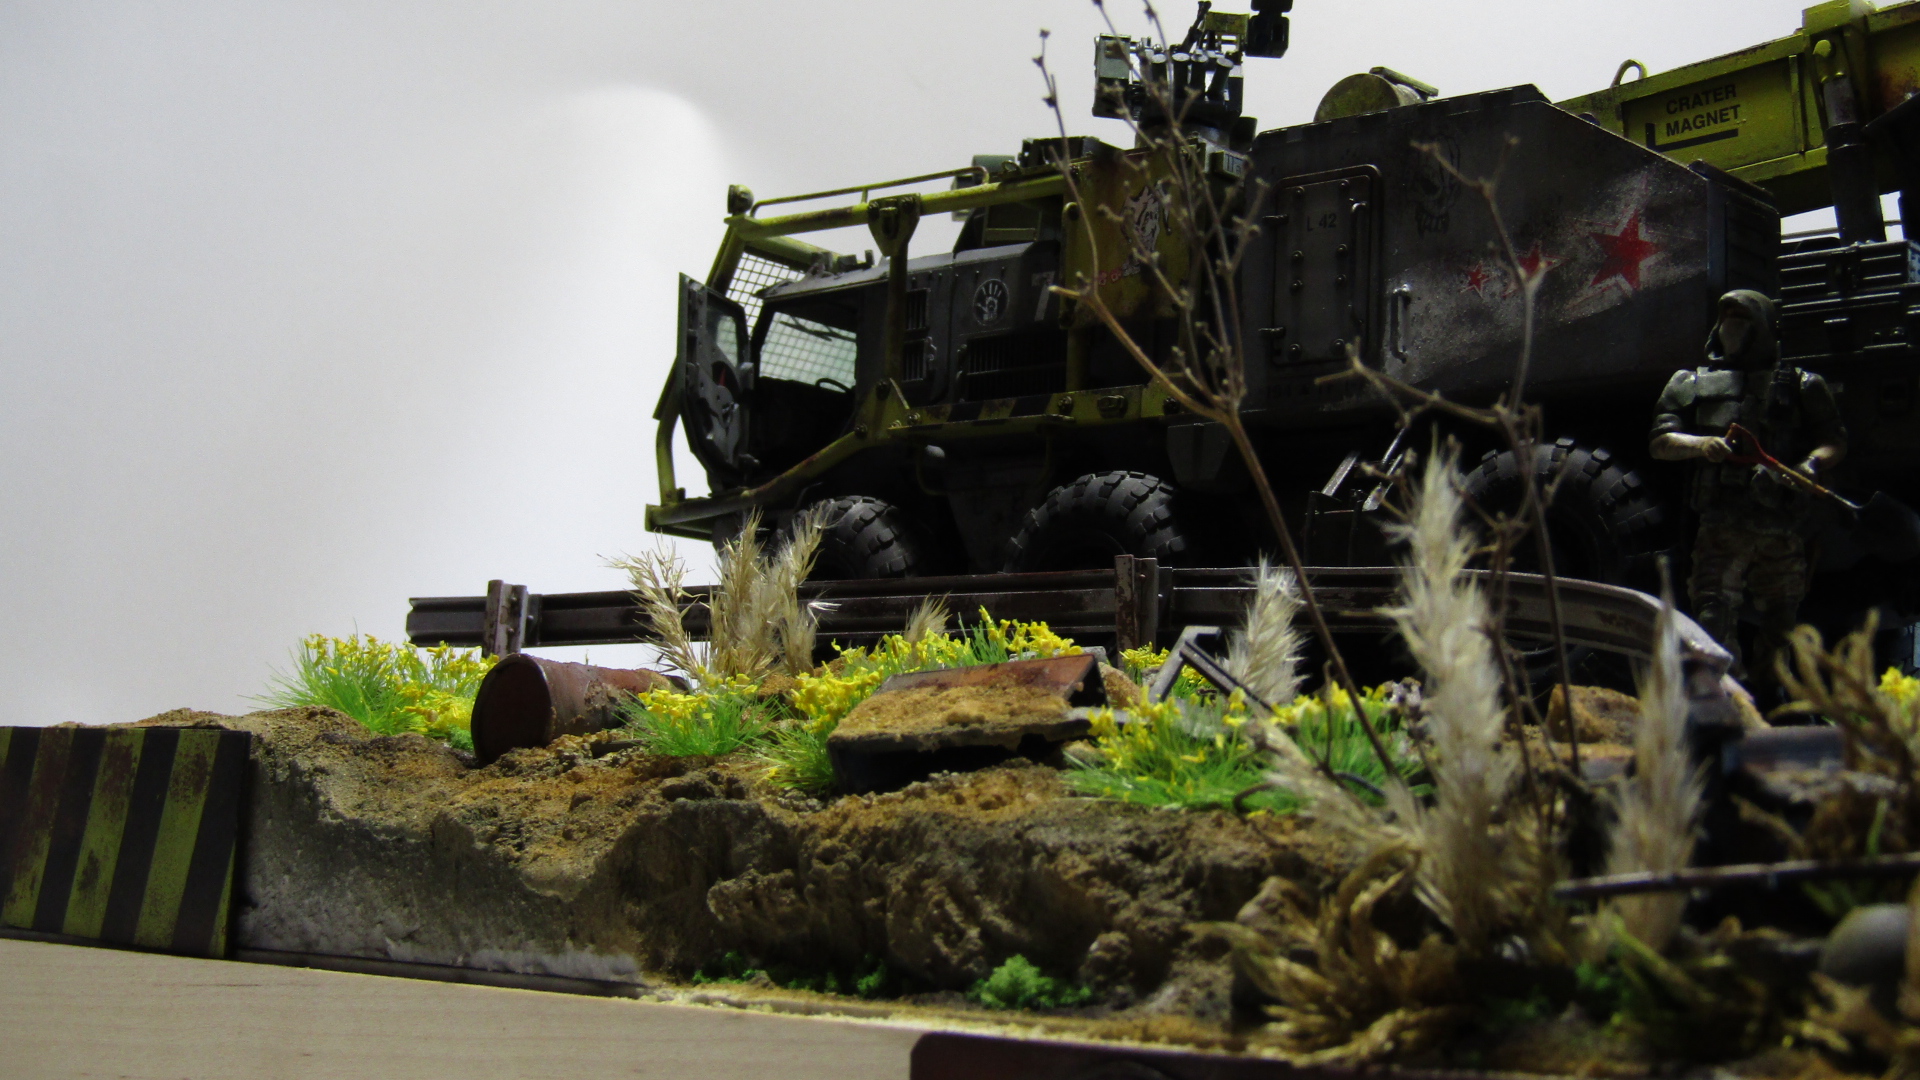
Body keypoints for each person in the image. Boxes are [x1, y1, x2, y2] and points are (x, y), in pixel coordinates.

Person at [1649, 289, 1847, 692]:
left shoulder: (1802, 385)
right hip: (1721, 527)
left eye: (1741, 322)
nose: (1731, 330)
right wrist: (1701, 445)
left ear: (1764, 329)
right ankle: (1729, 697)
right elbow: (1661, 441)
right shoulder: (1690, 383)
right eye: (1727, 321)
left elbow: (1834, 440)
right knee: (1712, 617)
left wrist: (1810, 464)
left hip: (1779, 527)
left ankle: (1774, 696)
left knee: (1782, 623)